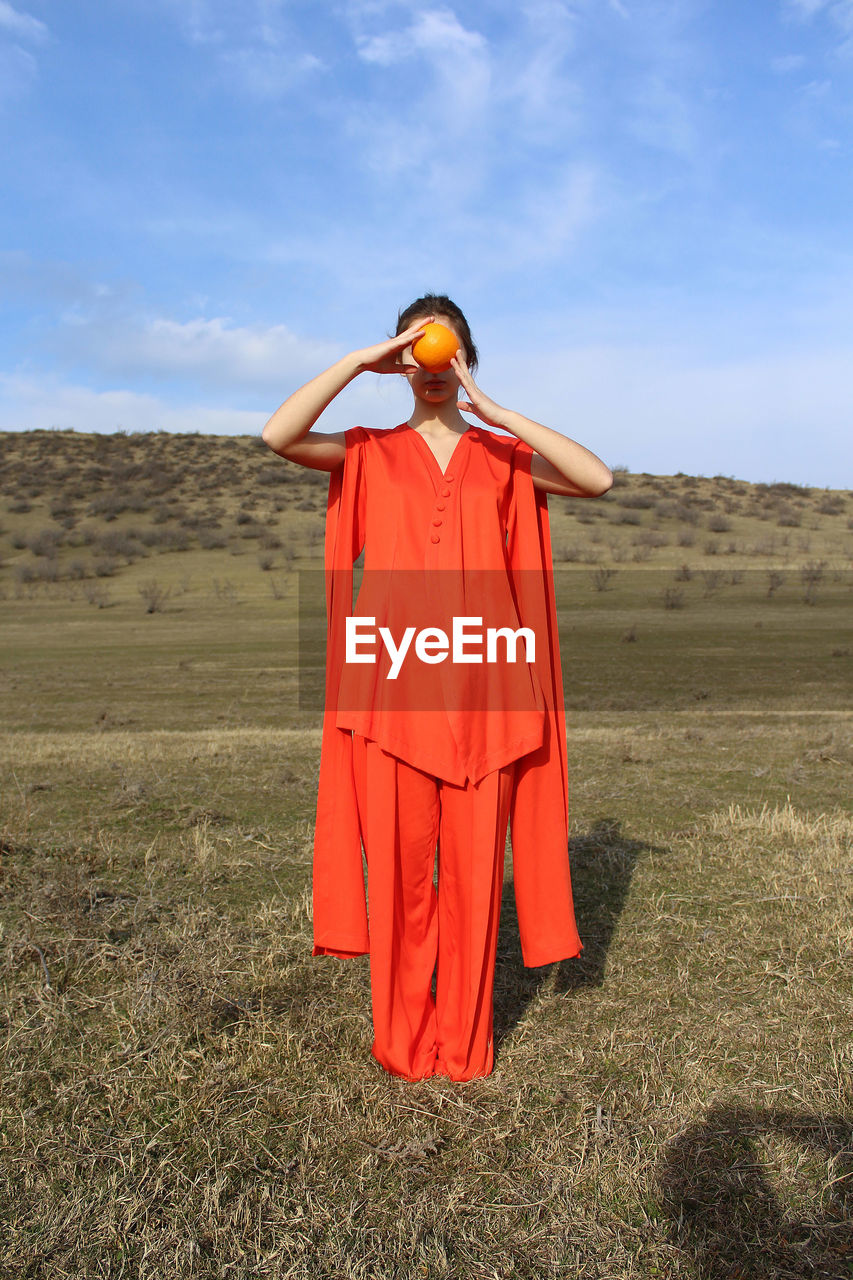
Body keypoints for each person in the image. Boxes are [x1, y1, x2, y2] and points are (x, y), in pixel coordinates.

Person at [262, 295, 613, 1081]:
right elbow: (277, 435)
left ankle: (463, 1045)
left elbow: (597, 479)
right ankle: (402, 1042)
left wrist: (492, 408)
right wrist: (358, 361)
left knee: (472, 884)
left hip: (486, 699)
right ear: (401, 360)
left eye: (442, 350)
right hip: (392, 699)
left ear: (462, 358)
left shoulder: (500, 456)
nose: (428, 366)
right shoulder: (367, 451)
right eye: (413, 350)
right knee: (397, 880)